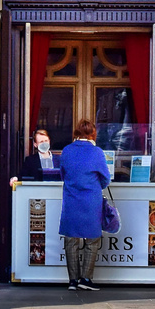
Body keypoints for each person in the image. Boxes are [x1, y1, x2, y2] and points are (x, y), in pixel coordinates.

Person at [59, 117, 110, 292]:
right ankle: (86, 278)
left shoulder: (66, 151)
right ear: (92, 134)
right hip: (91, 201)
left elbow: (62, 175)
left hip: (71, 199)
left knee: (71, 240)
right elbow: (105, 179)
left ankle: (73, 280)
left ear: (76, 133)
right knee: (92, 240)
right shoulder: (97, 152)